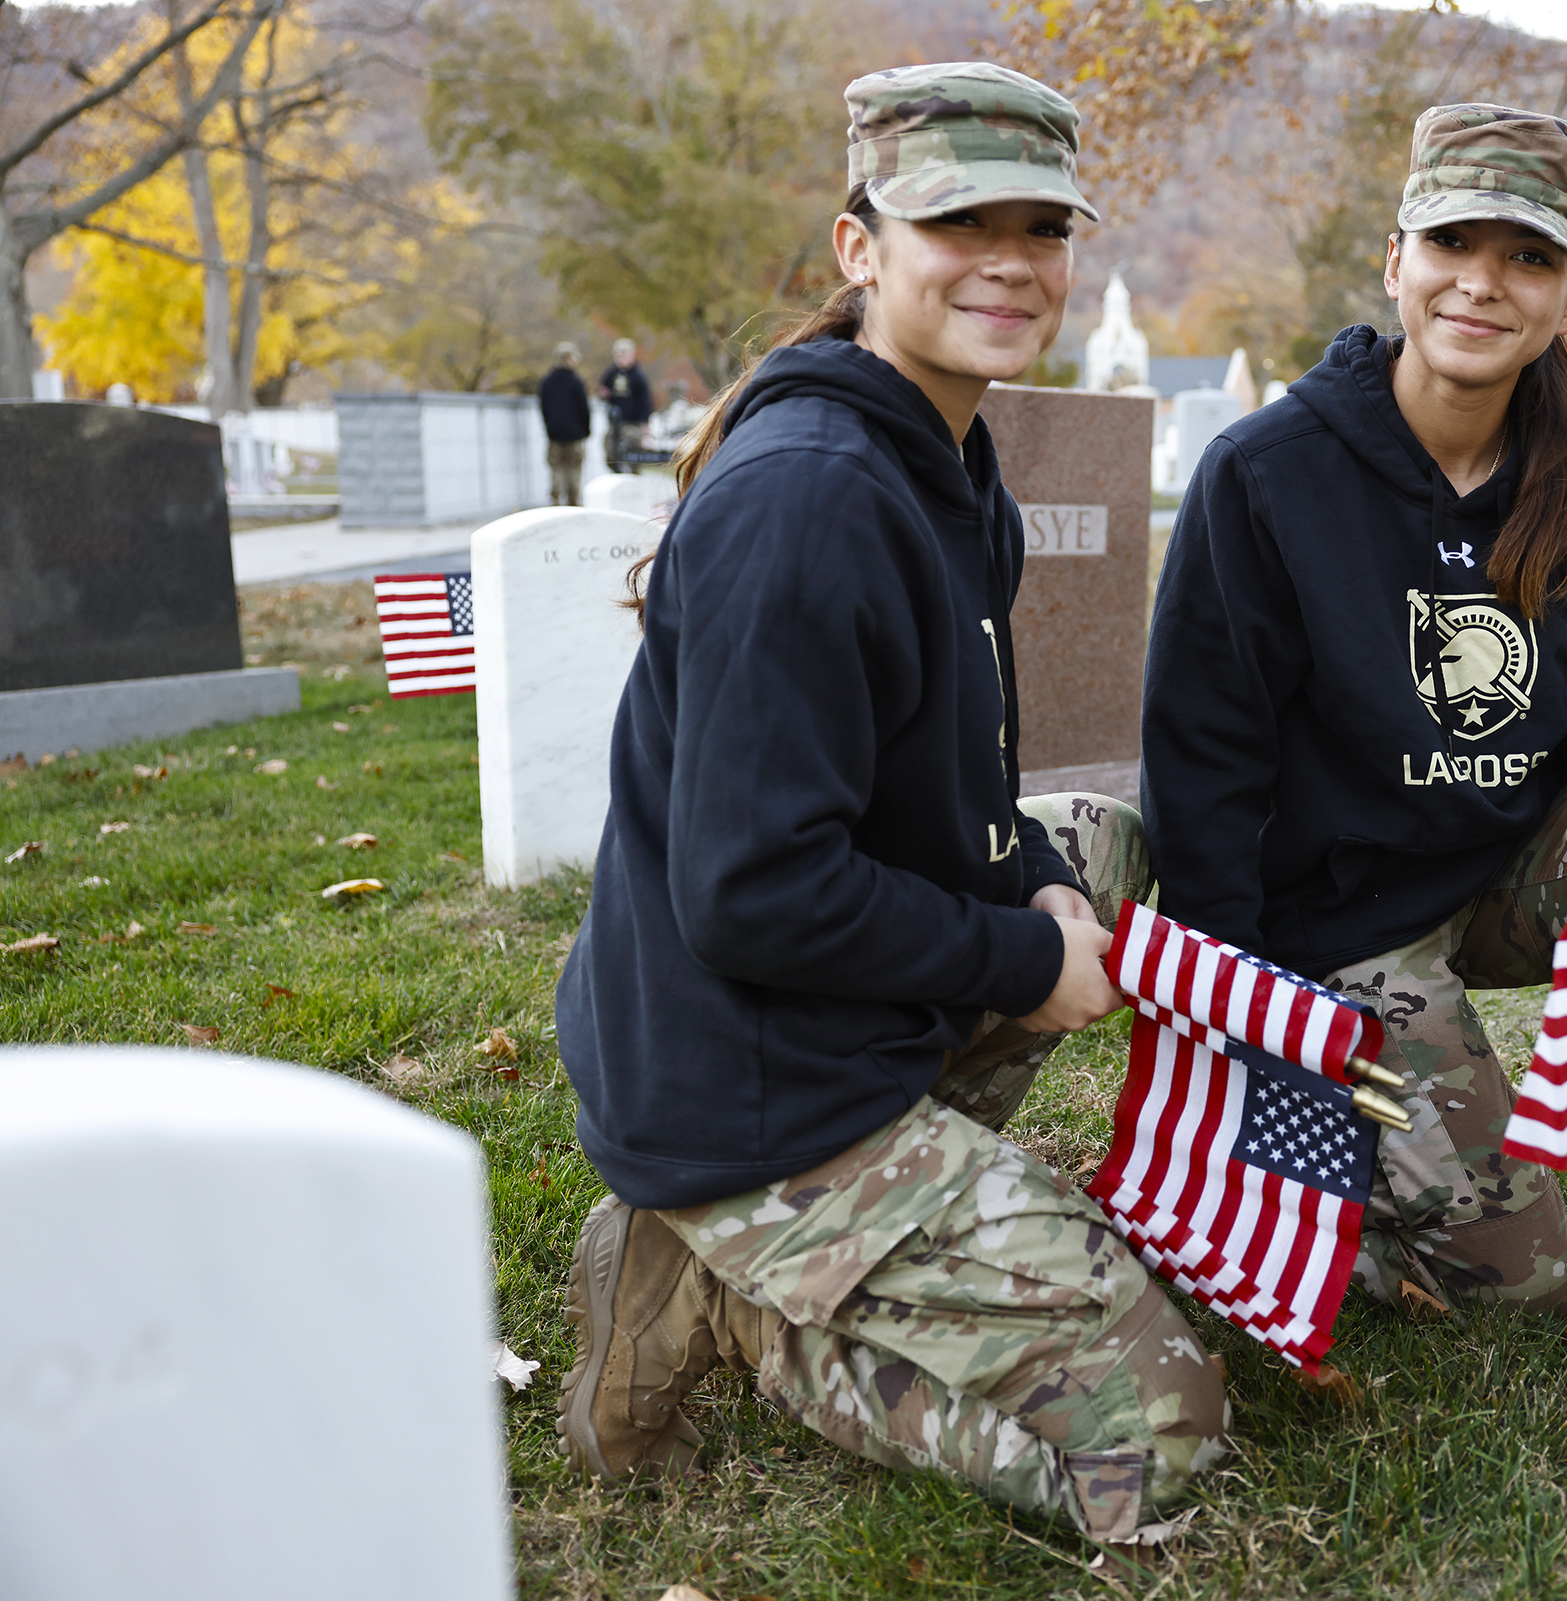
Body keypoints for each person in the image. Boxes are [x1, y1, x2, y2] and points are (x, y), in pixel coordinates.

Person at [549, 61, 1225, 1546]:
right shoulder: (810, 499)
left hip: (815, 1013)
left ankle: (829, 1211)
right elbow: (754, 890)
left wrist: (1040, 881)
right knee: (1161, 1445)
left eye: (1040, 227)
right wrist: (1023, 961)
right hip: (742, 1080)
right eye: (955, 221)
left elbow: (948, 786)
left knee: (1099, 848)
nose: (1009, 260)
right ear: (861, 247)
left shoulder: (947, 459)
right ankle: (735, 1300)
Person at [1140, 104, 1567, 1318]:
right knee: (1524, 1290)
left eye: (1529, 258)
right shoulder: (1265, 473)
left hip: (1506, 866)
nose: (1483, 283)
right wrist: (1241, 1016)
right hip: (1338, 919)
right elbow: (1206, 757)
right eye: (1454, 242)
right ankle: (1356, 1163)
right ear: (1396, 260)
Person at [538, 342, 590, 505]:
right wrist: (586, 430)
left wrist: (549, 429)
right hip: (574, 436)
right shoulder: (575, 382)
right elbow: (584, 409)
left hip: (554, 435)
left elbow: (543, 409)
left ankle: (555, 503)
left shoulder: (547, 382)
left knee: (556, 471)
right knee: (574, 471)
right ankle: (573, 505)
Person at [598, 337, 653, 472]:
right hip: (616, 422)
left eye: (623, 354)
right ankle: (617, 475)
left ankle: (634, 478)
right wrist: (604, 394)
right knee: (611, 452)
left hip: (633, 423)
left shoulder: (638, 376)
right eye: (617, 354)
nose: (620, 357)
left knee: (633, 454)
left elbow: (645, 401)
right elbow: (603, 390)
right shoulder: (611, 373)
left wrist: (645, 423)